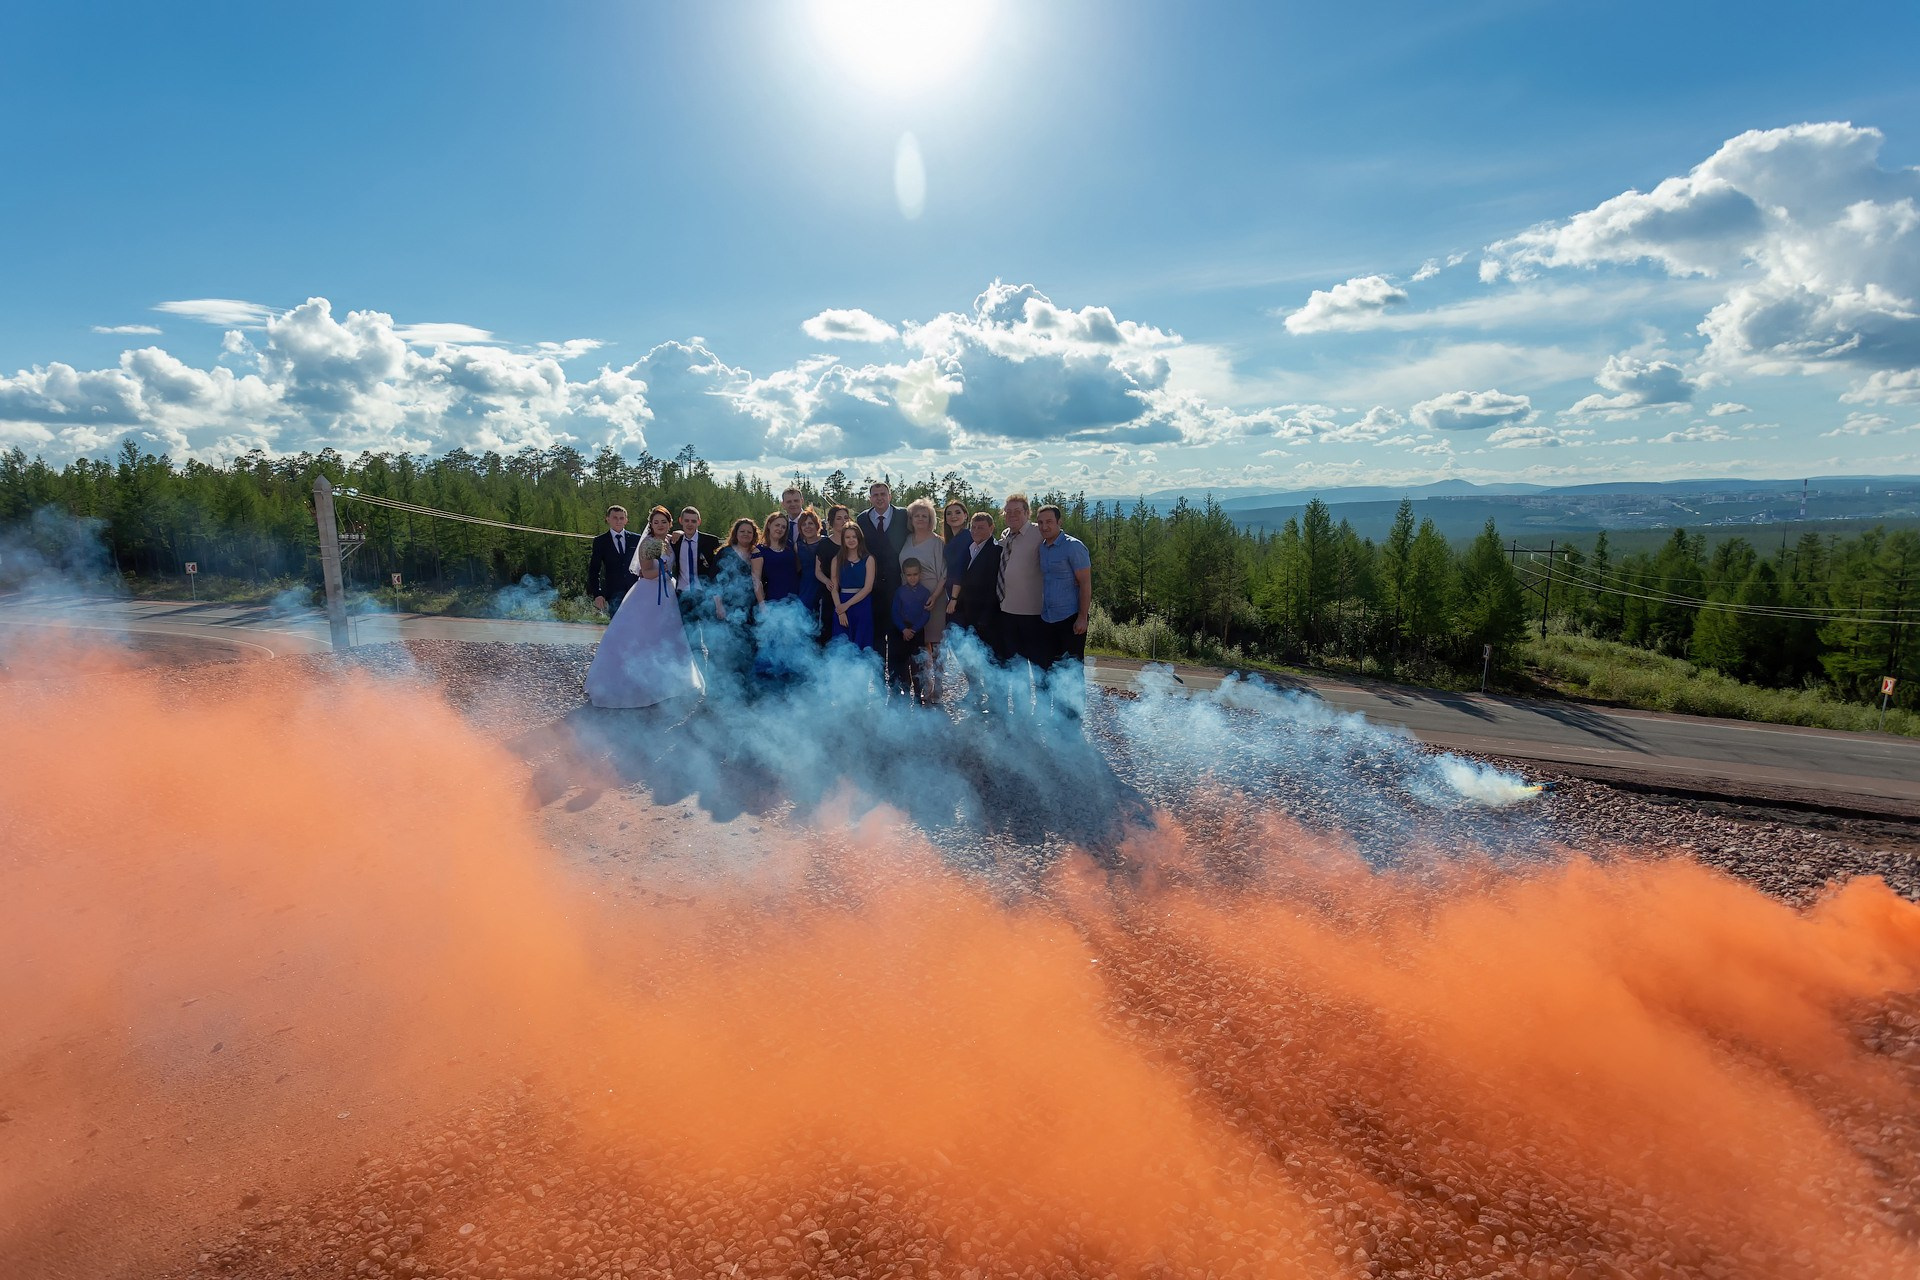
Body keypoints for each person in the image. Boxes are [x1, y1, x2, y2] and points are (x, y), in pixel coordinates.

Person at [584, 505, 705, 709]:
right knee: (643, 637)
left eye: (664, 522)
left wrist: (679, 533)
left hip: (668, 593)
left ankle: (669, 682)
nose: (660, 525)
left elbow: (684, 536)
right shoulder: (648, 543)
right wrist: (664, 571)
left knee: (668, 637)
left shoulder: (669, 540)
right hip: (649, 594)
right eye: (656, 522)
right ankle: (637, 683)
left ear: (669, 524)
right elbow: (646, 573)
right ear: (651, 524)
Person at [1034, 503, 1093, 723]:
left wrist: (1082, 617)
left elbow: (1085, 584)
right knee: (1051, 668)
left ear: (1059, 522)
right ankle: (1055, 715)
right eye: (1040, 522)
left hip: (1070, 618)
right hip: (1047, 618)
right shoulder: (1042, 547)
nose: (1044, 526)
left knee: (1072, 670)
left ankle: (1073, 717)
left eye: (1049, 521)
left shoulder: (1073, 547)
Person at [945, 511, 1001, 715]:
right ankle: (977, 693)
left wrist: (985, 619)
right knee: (972, 657)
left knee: (988, 660)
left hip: (985, 616)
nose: (977, 531)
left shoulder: (995, 550)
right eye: (974, 527)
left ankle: (995, 702)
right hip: (968, 613)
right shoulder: (971, 548)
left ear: (991, 528)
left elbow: (993, 587)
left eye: (982, 527)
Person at [857, 482, 910, 693]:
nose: (879, 498)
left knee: (897, 636)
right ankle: (879, 685)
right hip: (873, 588)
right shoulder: (862, 519)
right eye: (875, 495)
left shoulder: (903, 515)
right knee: (877, 639)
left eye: (883, 494)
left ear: (890, 495)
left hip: (898, 586)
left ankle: (898, 685)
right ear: (870, 498)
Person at [899, 497, 946, 700]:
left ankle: (939, 686)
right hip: (909, 599)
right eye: (916, 515)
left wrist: (935, 596)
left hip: (932, 598)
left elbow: (945, 573)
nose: (920, 519)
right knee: (919, 644)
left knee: (935, 644)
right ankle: (924, 684)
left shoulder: (937, 542)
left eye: (924, 516)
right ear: (911, 518)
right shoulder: (906, 540)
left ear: (931, 519)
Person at [994, 494, 1047, 669]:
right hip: (1007, 610)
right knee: (1016, 667)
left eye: (1017, 511)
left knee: (1038, 665)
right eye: (1008, 511)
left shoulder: (1038, 533)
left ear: (1027, 513)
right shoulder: (1006, 535)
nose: (1012, 515)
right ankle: (1020, 697)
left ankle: (1043, 698)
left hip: (1032, 613)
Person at [587, 505, 643, 619]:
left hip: (636, 592)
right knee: (618, 629)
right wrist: (597, 594)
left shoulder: (636, 539)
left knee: (637, 628)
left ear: (626, 520)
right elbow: (594, 570)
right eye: (615, 518)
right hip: (614, 594)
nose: (618, 521)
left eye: (621, 518)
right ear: (607, 519)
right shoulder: (600, 541)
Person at [892, 558, 935, 705]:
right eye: (909, 575)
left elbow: (926, 614)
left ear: (920, 574)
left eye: (915, 574)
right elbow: (895, 612)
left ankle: (918, 695)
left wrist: (914, 630)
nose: (912, 578)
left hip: (917, 632)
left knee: (918, 665)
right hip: (902, 632)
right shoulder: (900, 592)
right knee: (904, 664)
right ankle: (905, 692)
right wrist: (903, 629)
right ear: (904, 575)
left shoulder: (925, 592)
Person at [829, 522, 876, 652]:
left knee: (862, 644)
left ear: (859, 538)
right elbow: (834, 588)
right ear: (843, 539)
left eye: (854, 537)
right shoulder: (836, 560)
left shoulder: (869, 559)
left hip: (862, 605)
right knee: (842, 647)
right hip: (841, 606)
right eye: (847, 537)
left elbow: (868, 588)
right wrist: (840, 610)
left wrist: (847, 605)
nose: (851, 540)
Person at [814, 504, 852, 644]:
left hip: (851, 595)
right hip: (830, 594)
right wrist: (826, 581)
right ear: (831, 522)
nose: (843, 521)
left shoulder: (854, 543)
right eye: (839, 518)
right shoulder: (824, 545)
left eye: (846, 518)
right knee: (829, 633)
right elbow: (817, 571)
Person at [754, 511, 803, 604]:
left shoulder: (790, 545)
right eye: (777, 525)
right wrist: (762, 604)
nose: (780, 529)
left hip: (796, 598)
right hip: (774, 600)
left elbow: (798, 567)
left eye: (783, 527)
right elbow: (756, 580)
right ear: (769, 525)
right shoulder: (759, 551)